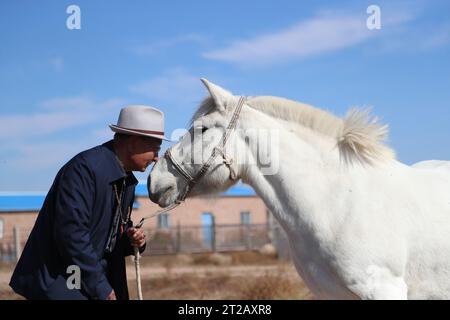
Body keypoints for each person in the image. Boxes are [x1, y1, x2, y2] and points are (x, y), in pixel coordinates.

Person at [9, 105, 168, 300]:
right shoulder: (83, 170)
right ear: (134, 142)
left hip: (89, 278)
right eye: (154, 148)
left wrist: (131, 239)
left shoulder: (127, 181)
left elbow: (110, 237)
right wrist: (101, 288)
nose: (156, 157)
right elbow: (72, 236)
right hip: (62, 279)